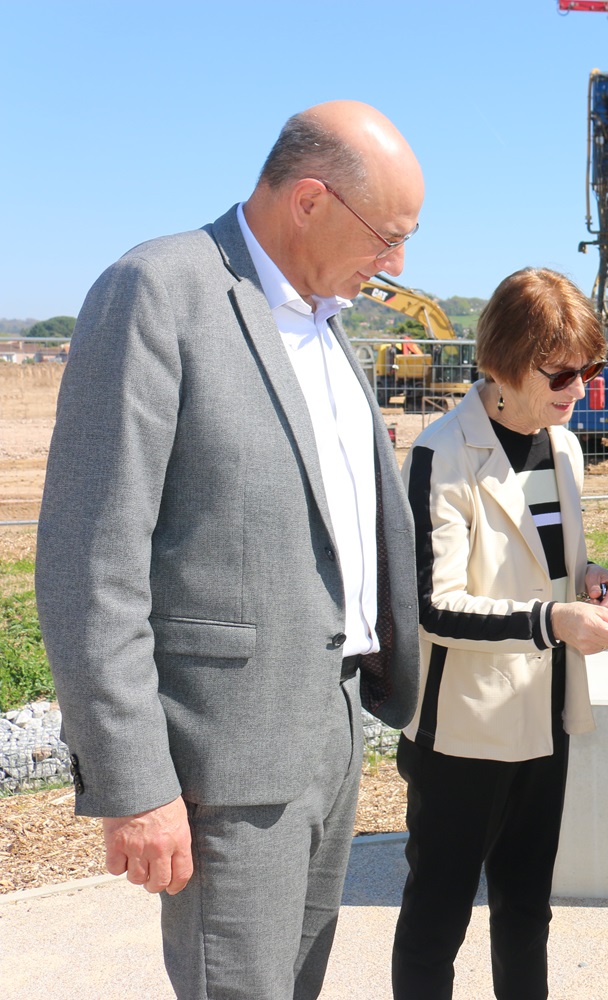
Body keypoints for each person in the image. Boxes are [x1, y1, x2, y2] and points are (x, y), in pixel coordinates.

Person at [35, 101, 424, 998]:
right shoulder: (158, 292)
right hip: (226, 756)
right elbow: (91, 563)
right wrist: (136, 784)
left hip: (330, 730)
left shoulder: (331, 332)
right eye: (387, 236)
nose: (396, 265)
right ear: (309, 200)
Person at [391, 267, 608, 999]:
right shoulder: (440, 454)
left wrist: (590, 580)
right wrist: (552, 619)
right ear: (506, 360)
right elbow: (433, 605)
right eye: (563, 374)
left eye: (589, 370)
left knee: (527, 911)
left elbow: (552, 564)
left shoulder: (564, 449)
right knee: (439, 916)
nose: (580, 390)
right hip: (464, 731)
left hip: (546, 718)